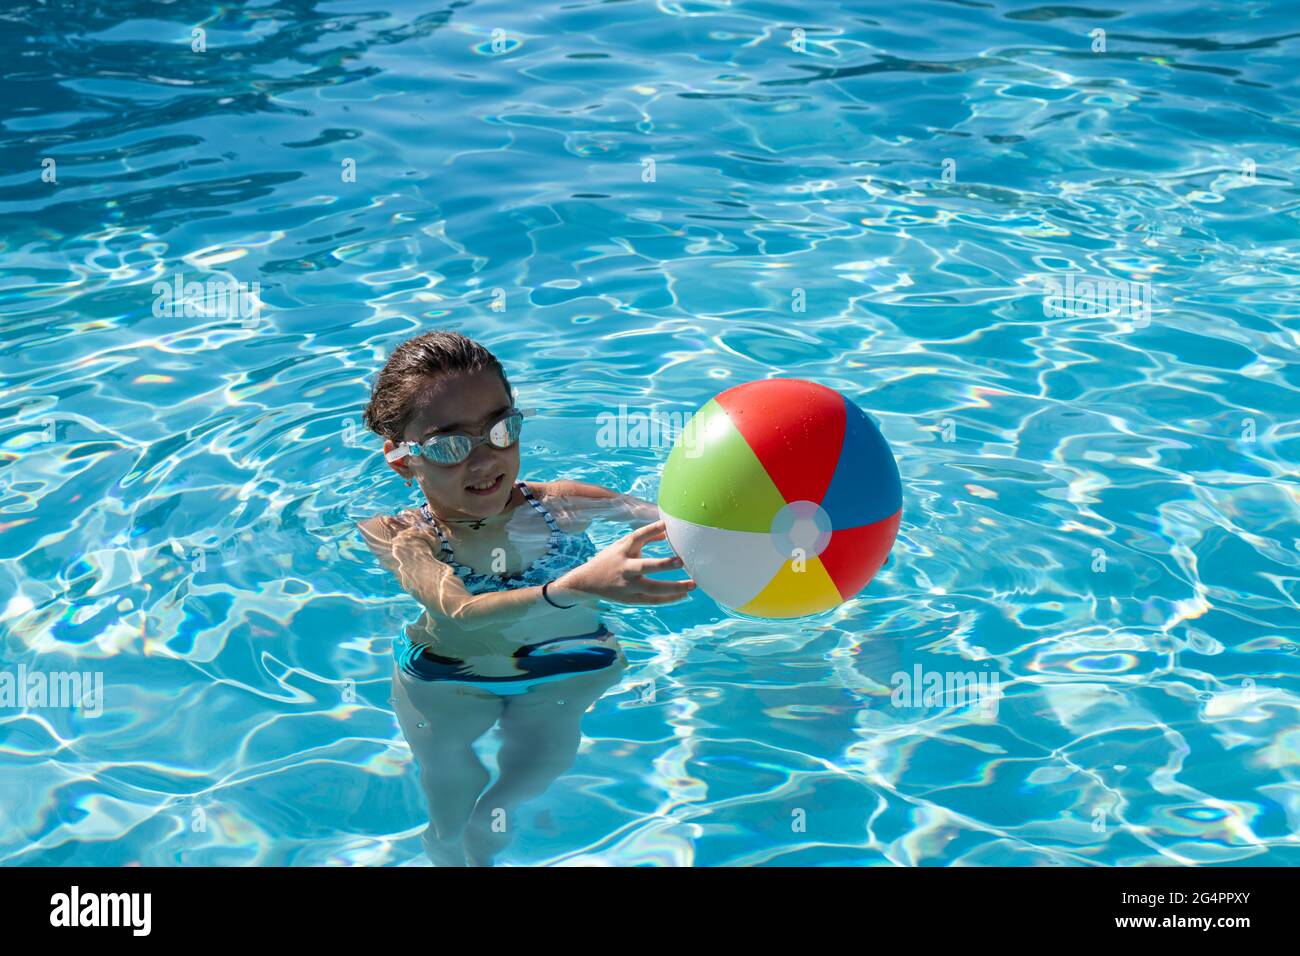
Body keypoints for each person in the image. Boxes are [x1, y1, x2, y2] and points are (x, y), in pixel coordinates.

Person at [356, 330, 694, 865]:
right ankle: (444, 846)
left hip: (569, 662)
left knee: (541, 764)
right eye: (449, 445)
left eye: (500, 429)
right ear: (403, 461)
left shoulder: (563, 504)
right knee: (450, 788)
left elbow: (679, 524)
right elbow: (459, 612)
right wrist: (576, 586)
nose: (485, 458)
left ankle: (488, 828)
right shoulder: (401, 534)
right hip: (450, 678)